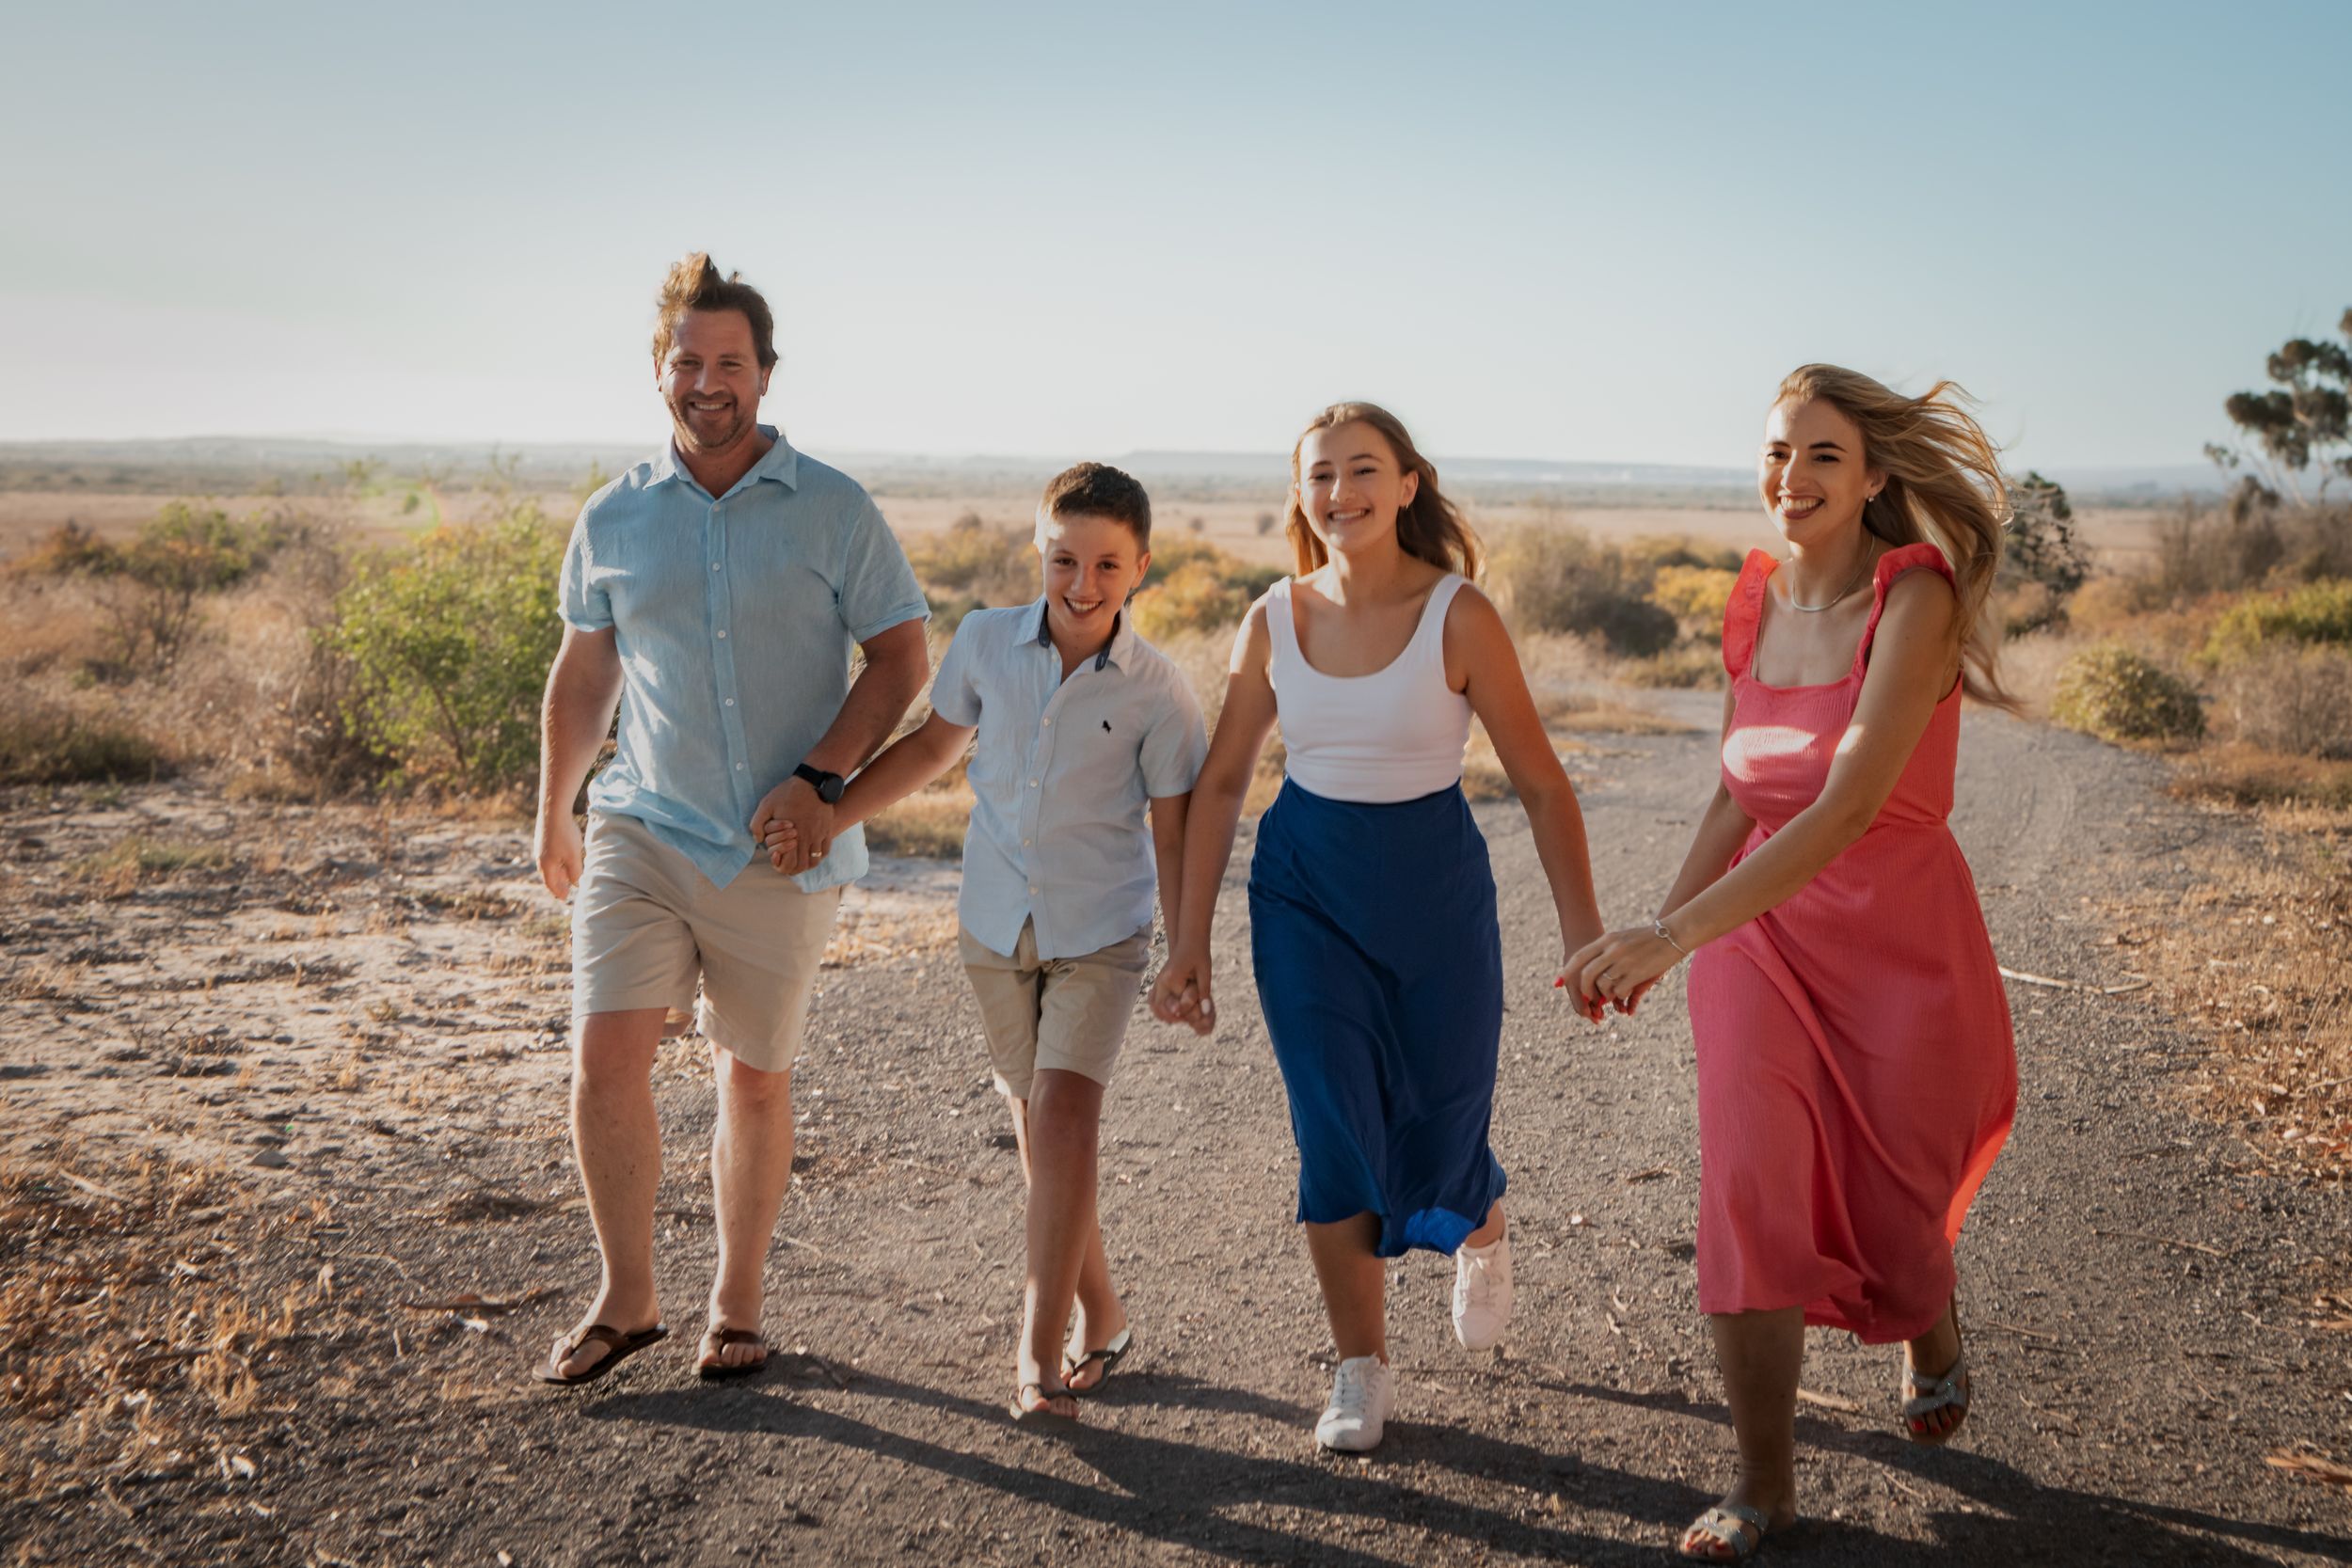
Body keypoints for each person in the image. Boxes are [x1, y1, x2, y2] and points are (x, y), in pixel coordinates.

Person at [1568, 365, 2019, 1560]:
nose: (1792, 476)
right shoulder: (1752, 595)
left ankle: (1926, 1315)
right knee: (1752, 1189)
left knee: (1892, 1199)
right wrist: (1660, 940)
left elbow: (1839, 807)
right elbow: (1739, 790)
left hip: (1895, 935)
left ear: (1874, 475)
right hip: (1755, 938)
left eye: (1823, 453)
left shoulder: (1911, 596)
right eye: (1777, 452)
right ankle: (1761, 1482)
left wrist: (1672, 930)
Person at [1151, 402, 1607, 1454]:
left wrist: (1582, 936)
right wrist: (1188, 939)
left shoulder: (1460, 614)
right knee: (1332, 1127)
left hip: (1435, 891)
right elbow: (1221, 784)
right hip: (1305, 893)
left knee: (1442, 1114)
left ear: (1408, 483)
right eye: (1320, 474)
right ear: (1299, 493)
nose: (1340, 491)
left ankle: (1478, 1219)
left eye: (1364, 470)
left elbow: (1539, 783)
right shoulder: (1270, 617)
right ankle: (1360, 1365)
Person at [532, 254, 930, 1386]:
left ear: (765, 374)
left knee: (750, 1074)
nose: (708, 382)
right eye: (688, 361)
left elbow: (901, 655)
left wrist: (822, 776)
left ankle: (735, 1300)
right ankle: (627, 1295)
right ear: (659, 370)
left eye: (731, 363)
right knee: (603, 1054)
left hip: (780, 846)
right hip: (642, 827)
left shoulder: (834, 507)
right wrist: (554, 807)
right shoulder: (612, 515)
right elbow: (583, 671)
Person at [765, 462, 1205, 1422]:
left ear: (1139, 569)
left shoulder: (1159, 691)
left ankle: (1036, 1353)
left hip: (1101, 930)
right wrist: (830, 818)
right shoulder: (982, 642)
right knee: (1038, 1131)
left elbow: (1174, 829)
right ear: (1037, 552)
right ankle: (1105, 1312)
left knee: (1063, 1121)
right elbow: (931, 748)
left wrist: (1186, 948)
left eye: (1105, 565)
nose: (1081, 585)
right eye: (1062, 560)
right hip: (993, 920)